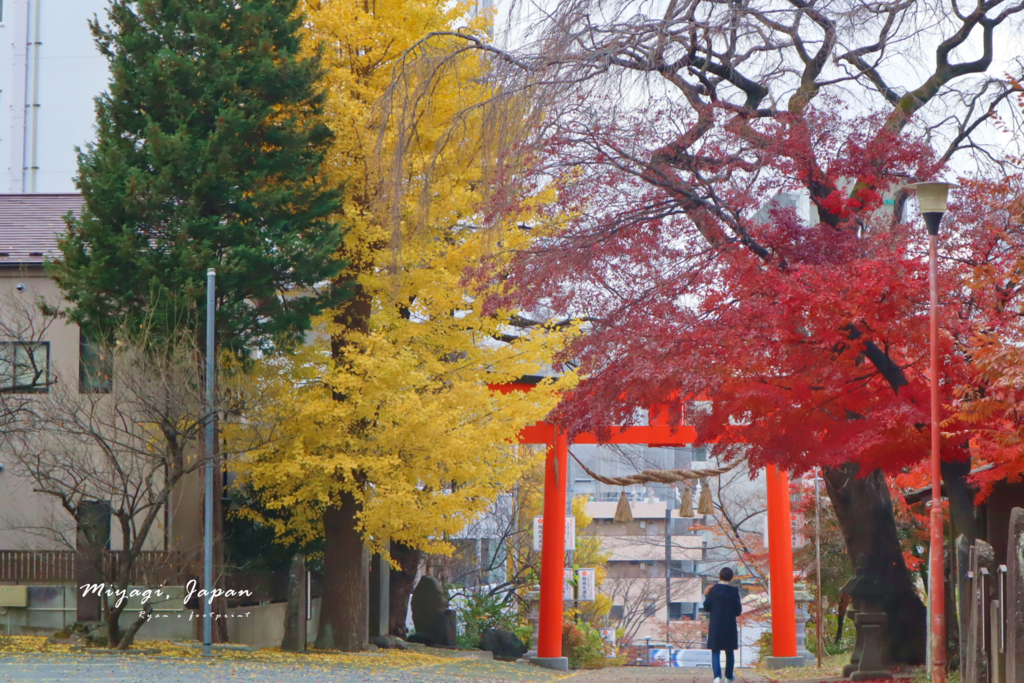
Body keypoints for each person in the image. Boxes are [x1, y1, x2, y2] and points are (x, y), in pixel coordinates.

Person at [703, 566, 742, 683]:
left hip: (716, 623)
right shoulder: (734, 591)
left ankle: (717, 677)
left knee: (715, 650)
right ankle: (729, 676)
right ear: (731, 578)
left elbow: (706, 606)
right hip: (729, 624)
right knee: (729, 651)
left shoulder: (713, 590)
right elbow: (738, 610)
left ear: (720, 576)